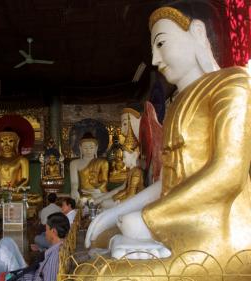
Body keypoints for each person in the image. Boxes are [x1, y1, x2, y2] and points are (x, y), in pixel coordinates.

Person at [85, 5, 251, 265]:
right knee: (103, 236)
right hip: (178, 213)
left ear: (197, 32)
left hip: (217, 223)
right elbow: (168, 182)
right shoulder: (175, 106)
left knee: (100, 265)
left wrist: (147, 217)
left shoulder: (230, 84)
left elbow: (228, 173)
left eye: (161, 44)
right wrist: (115, 212)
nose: (154, 59)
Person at [0, 212, 70, 281]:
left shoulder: (55, 256)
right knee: (7, 241)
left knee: (3, 247)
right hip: (29, 273)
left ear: (54, 232)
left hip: (26, 278)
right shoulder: (59, 247)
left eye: (46, 229)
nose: (45, 233)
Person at [69, 133, 109, 202]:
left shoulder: (103, 162)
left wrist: (98, 190)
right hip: (84, 194)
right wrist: (74, 190)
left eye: (91, 147)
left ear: (96, 148)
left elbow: (104, 180)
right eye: (85, 148)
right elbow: (74, 182)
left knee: (106, 200)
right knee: (79, 201)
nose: (88, 150)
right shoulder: (74, 163)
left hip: (99, 193)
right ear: (80, 148)